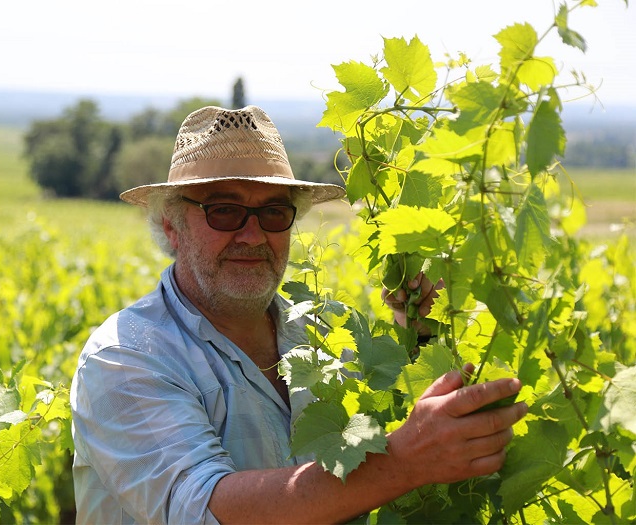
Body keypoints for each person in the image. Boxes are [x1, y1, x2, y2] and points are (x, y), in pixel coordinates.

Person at [70, 105, 528, 524]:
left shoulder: (326, 330)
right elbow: (206, 508)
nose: (252, 235)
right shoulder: (125, 356)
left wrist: (418, 337)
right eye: (224, 211)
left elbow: (389, 433)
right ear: (171, 223)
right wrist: (402, 461)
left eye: (273, 213)